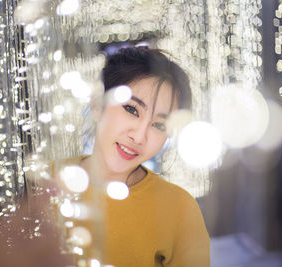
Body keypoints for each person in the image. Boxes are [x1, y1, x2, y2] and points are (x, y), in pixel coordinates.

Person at [73, 46, 210, 267]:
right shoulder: (44, 183)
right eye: (131, 109)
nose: (139, 136)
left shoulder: (180, 209)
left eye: (158, 124)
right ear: (97, 104)